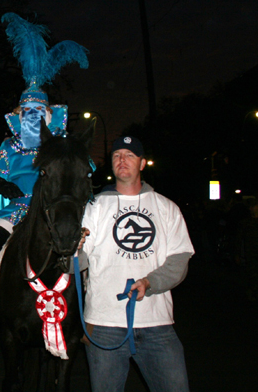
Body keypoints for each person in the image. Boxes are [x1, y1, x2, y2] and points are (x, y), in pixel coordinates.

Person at [0, 12, 89, 327]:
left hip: (56, 211)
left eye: (39, 111)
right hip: (17, 210)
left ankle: (91, 303)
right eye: (27, 111)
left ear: (49, 114)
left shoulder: (61, 145)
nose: (33, 117)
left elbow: (83, 170)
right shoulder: (10, 146)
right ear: (18, 114)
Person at [80, 136, 194, 392]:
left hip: (157, 324)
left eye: (130, 155)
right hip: (104, 325)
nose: (122, 160)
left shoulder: (166, 207)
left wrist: (149, 282)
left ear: (142, 163)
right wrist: (69, 251)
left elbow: (179, 260)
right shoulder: (94, 207)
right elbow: (77, 263)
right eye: (117, 155)